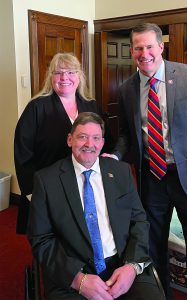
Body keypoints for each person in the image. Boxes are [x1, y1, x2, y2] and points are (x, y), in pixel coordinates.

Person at [110, 23, 187, 299]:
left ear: (161, 47)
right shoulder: (127, 89)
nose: (144, 53)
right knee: (153, 245)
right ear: (132, 51)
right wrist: (113, 156)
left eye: (150, 46)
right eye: (138, 48)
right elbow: (126, 134)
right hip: (153, 178)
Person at [27, 112, 165, 300]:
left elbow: (139, 221)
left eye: (95, 138)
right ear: (70, 140)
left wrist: (132, 267)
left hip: (122, 263)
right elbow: (41, 239)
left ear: (102, 142)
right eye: (82, 137)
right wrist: (78, 279)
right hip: (74, 271)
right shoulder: (46, 181)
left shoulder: (121, 172)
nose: (89, 144)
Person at [14, 53, 110, 234]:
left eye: (70, 72)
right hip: (48, 186)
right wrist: (30, 191)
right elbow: (22, 150)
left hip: (84, 184)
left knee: (82, 233)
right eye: (58, 73)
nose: (64, 78)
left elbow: (104, 139)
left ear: (79, 76)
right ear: (51, 78)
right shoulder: (37, 107)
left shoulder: (90, 105)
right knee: (50, 240)